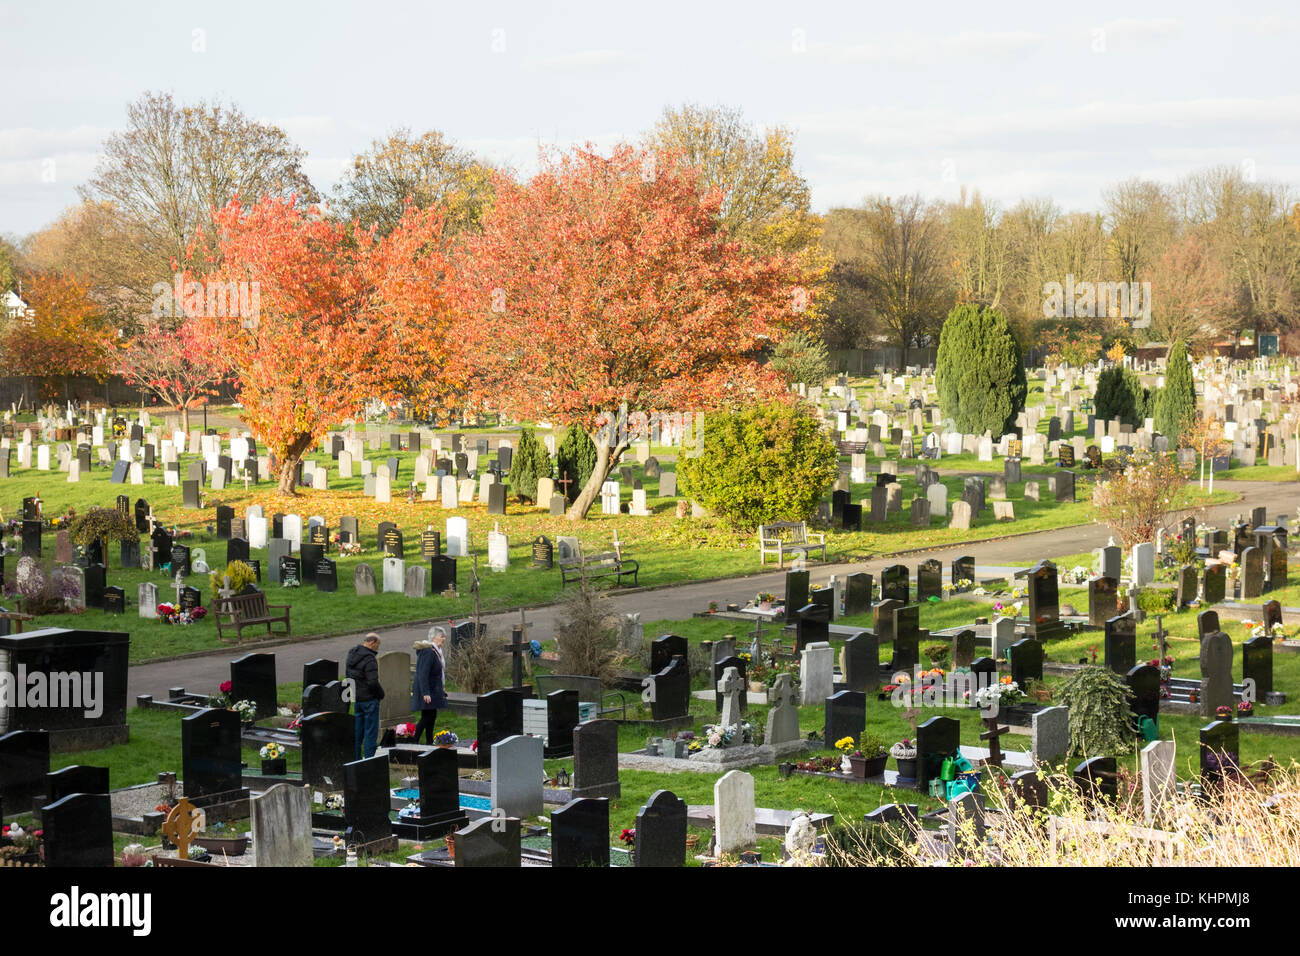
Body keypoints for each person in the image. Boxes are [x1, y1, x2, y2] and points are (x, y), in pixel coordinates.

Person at [346, 632, 384, 759]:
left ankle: (356, 761)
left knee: (358, 733)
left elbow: (348, 677)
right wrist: (381, 694)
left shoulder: (352, 654)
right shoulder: (369, 659)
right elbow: (372, 682)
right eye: (378, 644)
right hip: (369, 700)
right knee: (370, 734)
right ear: (372, 642)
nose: (378, 647)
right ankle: (369, 762)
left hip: (357, 699)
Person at [411, 625, 449, 744]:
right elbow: (423, 674)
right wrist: (425, 692)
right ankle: (414, 741)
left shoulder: (436, 651)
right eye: (442, 637)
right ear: (434, 638)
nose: (444, 639)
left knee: (431, 716)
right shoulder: (428, 652)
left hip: (433, 689)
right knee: (427, 717)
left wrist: (441, 689)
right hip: (428, 691)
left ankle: (428, 742)